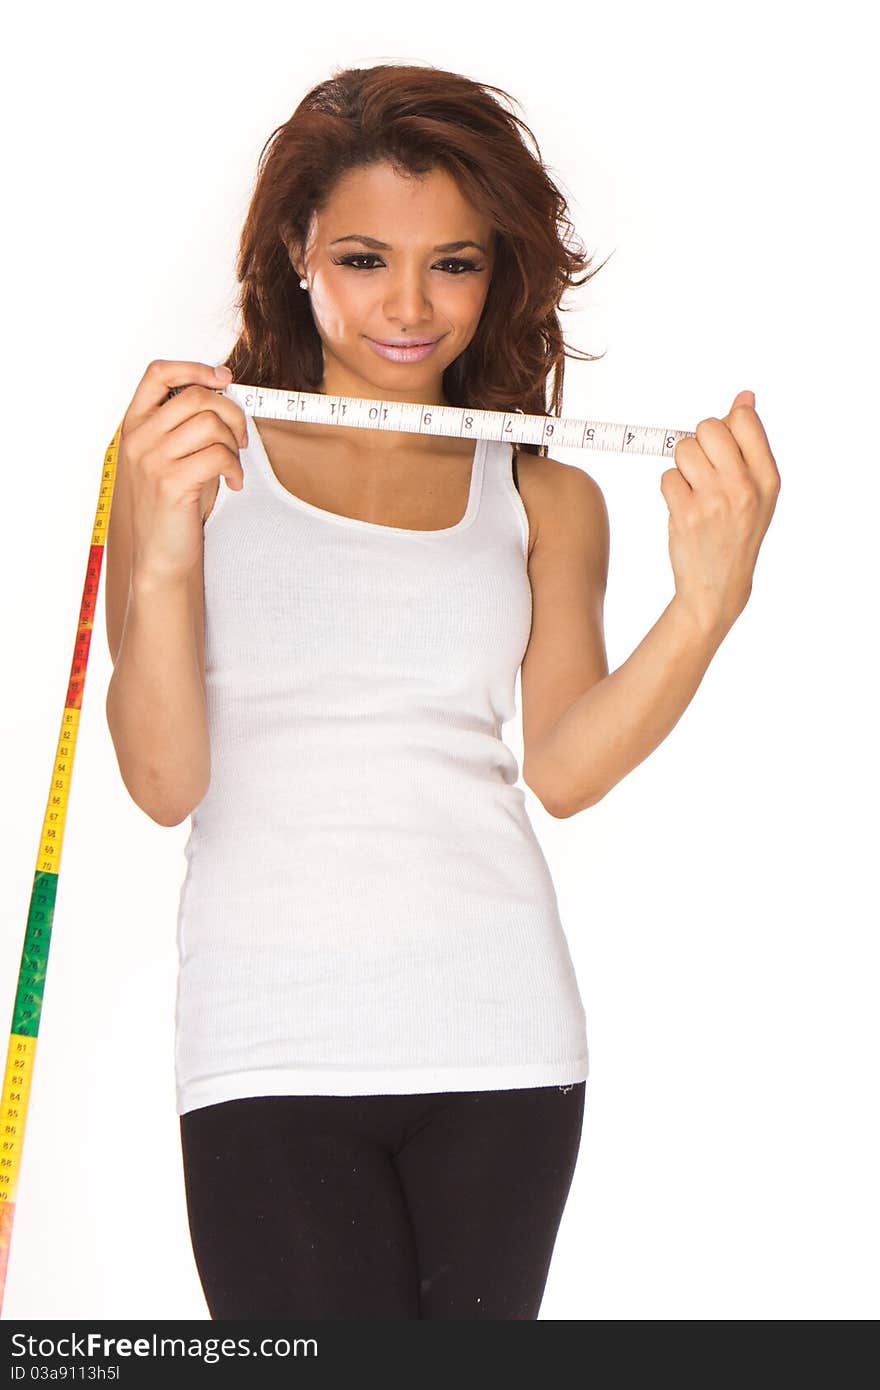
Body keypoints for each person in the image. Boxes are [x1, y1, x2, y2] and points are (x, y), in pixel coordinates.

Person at [104, 63, 780, 1320]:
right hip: (266, 1042)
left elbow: (567, 770)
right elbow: (161, 782)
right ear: (295, 247)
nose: (408, 306)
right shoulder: (187, 459)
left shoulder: (541, 492)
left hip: (502, 1038)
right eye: (364, 256)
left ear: (496, 270)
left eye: (453, 263)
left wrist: (707, 604)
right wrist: (157, 545)